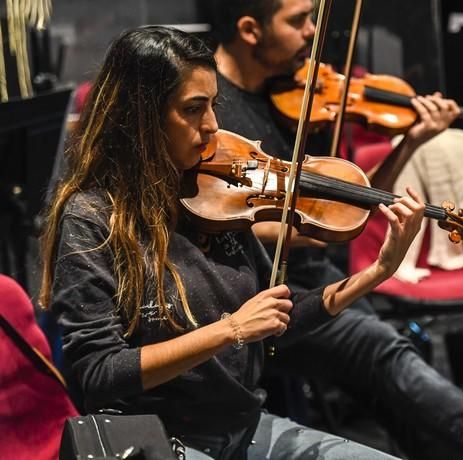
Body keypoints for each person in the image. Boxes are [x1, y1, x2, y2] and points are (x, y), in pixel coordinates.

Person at [202, 1, 463, 459]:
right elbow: (263, 224)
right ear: (249, 29)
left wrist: (413, 140)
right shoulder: (209, 111)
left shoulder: (288, 95)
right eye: (297, 20)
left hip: (312, 273)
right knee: (379, 349)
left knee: (388, 378)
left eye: (312, 17)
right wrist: (307, 231)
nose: (311, 33)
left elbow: (348, 204)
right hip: (257, 298)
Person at [39, 26, 428, 460]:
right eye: (193, 109)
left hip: (246, 429)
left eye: (213, 105)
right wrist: (231, 329)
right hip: (158, 441)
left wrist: (376, 272)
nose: (213, 126)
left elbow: (276, 320)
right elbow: (100, 372)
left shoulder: (216, 197)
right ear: (141, 116)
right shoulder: (90, 218)